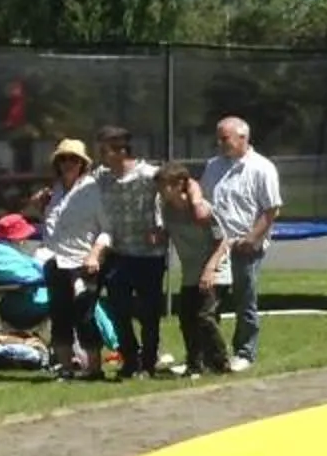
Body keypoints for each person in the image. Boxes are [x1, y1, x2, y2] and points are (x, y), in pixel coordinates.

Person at [199, 116, 283, 371]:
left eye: (225, 138)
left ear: (242, 138)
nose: (220, 143)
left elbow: (271, 209)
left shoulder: (262, 168)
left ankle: (245, 351)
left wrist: (252, 238)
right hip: (215, 245)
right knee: (208, 301)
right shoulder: (213, 166)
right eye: (219, 138)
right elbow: (204, 200)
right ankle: (210, 354)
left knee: (245, 299)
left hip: (244, 246)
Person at [89, 127, 169, 381]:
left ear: (121, 149)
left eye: (105, 149)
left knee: (149, 312)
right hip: (118, 253)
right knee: (119, 310)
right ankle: (129, 360)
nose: (101, 154)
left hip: (149, 255)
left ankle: (148, 363)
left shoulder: (149, 175)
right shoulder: (101, 177)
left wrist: (163, 227)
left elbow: (180, 188)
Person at [38, 139, 109, 380]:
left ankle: (94, 368)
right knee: (60, 315)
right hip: (55, 260)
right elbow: (48, 226)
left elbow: (107, 230)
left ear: (82, 163)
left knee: (85, 315)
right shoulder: (53, 192)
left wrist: (95, 254)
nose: (68, 164)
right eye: (63, 159)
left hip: (83, 262)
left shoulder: (93, 190)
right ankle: (66, 368)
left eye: (73, 159)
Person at [159, 163, 234, 376]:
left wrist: (210, 270)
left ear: (179, 185)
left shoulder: (203, 210)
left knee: (205, 317)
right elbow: (168, 234)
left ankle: (221, 362)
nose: (161, 191)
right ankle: (195, 364)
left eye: (165, 186)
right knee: (186, 319)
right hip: (190, 273)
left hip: (216, 270)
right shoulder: (168, 210)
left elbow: (222, 242)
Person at [0, 214, 53, 333]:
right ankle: (66, 345)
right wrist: (54, 275)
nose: (26, 239)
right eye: (23, 235)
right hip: (21, 307)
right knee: (66, 298)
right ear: (14, 237)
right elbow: (29, 278)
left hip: (12, 300)